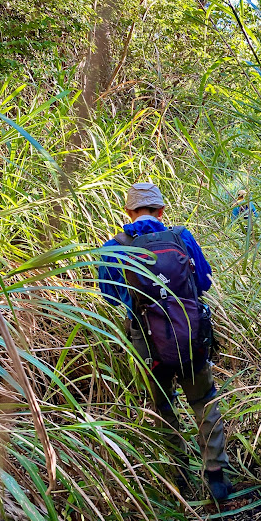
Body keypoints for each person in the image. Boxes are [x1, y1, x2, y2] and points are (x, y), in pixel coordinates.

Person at [98, 183, 232, 501]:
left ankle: (179, 474)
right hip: (190, 337)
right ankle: (216, 478)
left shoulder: (114, 247)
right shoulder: (181, 237)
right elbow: (203, 282)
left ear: (128, 213)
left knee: (163, 405)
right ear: (161, 211)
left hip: (147, 346)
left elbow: (111, 298)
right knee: (203, 401)